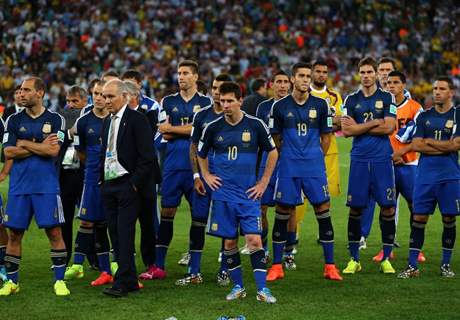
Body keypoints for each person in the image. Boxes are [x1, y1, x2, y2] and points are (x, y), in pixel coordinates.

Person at [197, 81, 278, 303]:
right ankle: (238, 287)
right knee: (230, 243)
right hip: (223, 195)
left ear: (240, 101)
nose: (225, 105)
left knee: (254, 240)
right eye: (222, 101)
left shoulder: (255, 125)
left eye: (230, 100)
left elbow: (273, 153)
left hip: (248, 195)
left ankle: (263, 290)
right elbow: (200, 154)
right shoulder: (213, 127)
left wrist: (263, 183)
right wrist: (206, 176)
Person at [266, 62, 342, 282]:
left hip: (314, 167)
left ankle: (330, 266)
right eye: (301, 75)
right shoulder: (279, 107)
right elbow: (276, 139)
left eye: (308, 76)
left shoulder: (321, 105)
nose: (306, 79)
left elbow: (327, 137)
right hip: (288, 166)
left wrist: (314, 156)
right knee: (282, 211)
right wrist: (291, 154)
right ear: (292, 78)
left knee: (323, 210)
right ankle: (277, 266)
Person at [0, 77, 69, 296]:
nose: (22, 93)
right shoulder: (12, 120)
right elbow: (8, 152)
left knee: (55, 232)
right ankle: (12, 282)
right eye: (20, 89)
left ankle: (59, 281)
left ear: (40, 93)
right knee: (14, 235)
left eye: (27, 90)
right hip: (19, 188)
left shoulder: (56, 119)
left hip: (46, 186)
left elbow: (53, 151)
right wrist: (40, 146)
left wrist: (24, 144)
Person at [144, 60, 211, 280]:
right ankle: (159, 266)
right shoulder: (168, 100)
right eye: (179, 73)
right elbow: (164, 133)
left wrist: (174, 128)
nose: (180, 77)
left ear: (195, 77)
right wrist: (185, 129)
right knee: (167, 213)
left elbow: (200, 132)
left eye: (185, 73)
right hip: (172, 166)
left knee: (198, 216)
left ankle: (195, 267)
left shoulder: (206, 102)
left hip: (198, 167)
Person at [100, 79, 157, 297]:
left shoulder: (137, 120)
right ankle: (129, 280)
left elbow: (148, 157)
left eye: (110, 96)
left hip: (127, 185)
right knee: (115, 233)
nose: (106, 101)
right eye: (104, 96)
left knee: (124, 233)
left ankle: (122, 282)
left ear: (124, 96)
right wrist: (101, 181)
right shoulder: (107, 121)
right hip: (109, 184)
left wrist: (133, 184)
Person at [398, 77, 460, 279]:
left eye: (442, 89)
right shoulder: (424, 116)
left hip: (449, 176)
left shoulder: (457, 114)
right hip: (425, 176)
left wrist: (430, 143)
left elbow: (456, 145)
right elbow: (416, 145)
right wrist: (444, 145)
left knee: (448, 218)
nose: (437, 92)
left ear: (451, 92)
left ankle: (445, 265)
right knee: (418, 218)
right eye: (435, 89)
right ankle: (412, 266)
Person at [341, 57, 397, 275]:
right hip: (360, 160)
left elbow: (390, 127)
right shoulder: (351, 99)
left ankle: (386, 257)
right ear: (359, 74)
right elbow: (347, 131)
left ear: (375, 74)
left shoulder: (387, 96)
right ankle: (354, 259)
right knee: (356, 208)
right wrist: (376, 121)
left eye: (369, 72)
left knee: (388, 207)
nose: (365, 76)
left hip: (382, 159)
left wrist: (362, 126)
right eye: (362, 72)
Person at [175, 74, 232, 286]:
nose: (217, 92)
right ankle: (194, 272)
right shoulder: (201, 116)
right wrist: (197, 175)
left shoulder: (236, 118)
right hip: (204, 179)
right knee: (198, 222)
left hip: (227, 180)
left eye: (221, 89)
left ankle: (225, 269)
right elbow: (194, 146)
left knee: (227, 225)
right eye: (215, 88)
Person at [372, 71, 425, 262]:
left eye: (395, 82)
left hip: (409, 163)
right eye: (388, 83)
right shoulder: (380, 106)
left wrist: (401, 153)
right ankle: (386, 249)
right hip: (385, 164)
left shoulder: (415, 108)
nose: (391, 86)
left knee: (415, 206)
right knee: (386, 207)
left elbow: (420, 136)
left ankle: (416, 248)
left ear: (404, 85)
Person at [64, 80, 113, 286]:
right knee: (86, 220)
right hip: (91, 179)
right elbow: (80, 151)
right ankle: (77, 264)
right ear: (92, 96)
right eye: (96, 94)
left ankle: (108, 268)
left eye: (103, 94)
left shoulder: (115, 119)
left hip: (112, 178)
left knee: (106, 223)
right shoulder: (84, 122)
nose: (100, 97)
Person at [294, 59, 343, 256]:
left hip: (329, 151)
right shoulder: (305, 93)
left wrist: (323, 124)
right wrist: (326, 123)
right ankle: (294, 232)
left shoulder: (334, 96)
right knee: (299, 196)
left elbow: (341, 121)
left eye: (325, 72)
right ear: (311, 73)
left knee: (325, 195)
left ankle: (322, 233)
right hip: (305, 151)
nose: (321, 75)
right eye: (318, 71)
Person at [124, 81, 162, 280]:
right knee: (125, 223)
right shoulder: (117, 117)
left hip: (145, 177)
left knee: (148, 223)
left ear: (132, 96)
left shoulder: (148, 115)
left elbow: (149, 148)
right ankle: (125, 264)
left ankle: (151, 264)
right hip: (125, 178)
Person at [254, 70, 290, 262]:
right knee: (261, 207)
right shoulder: (263, 107)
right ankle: (265, 248)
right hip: (267, 161)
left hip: (288, 162)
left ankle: (288, 251)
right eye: (279, 82)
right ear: (272, 85)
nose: (283, 85)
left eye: (285, 82)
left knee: (288, 207)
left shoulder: (294, 105)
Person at [57, 86, 87, 264]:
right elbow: (56, 140)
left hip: (86, 172)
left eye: (75, 101)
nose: (70, 105)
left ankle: (93, 258)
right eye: (68, 101)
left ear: (85, 101)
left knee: (90, 218)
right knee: (65, 219)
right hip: (66, 174)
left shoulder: (91, 117)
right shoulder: (60, 118)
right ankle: (65, 258)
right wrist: (69, 133)